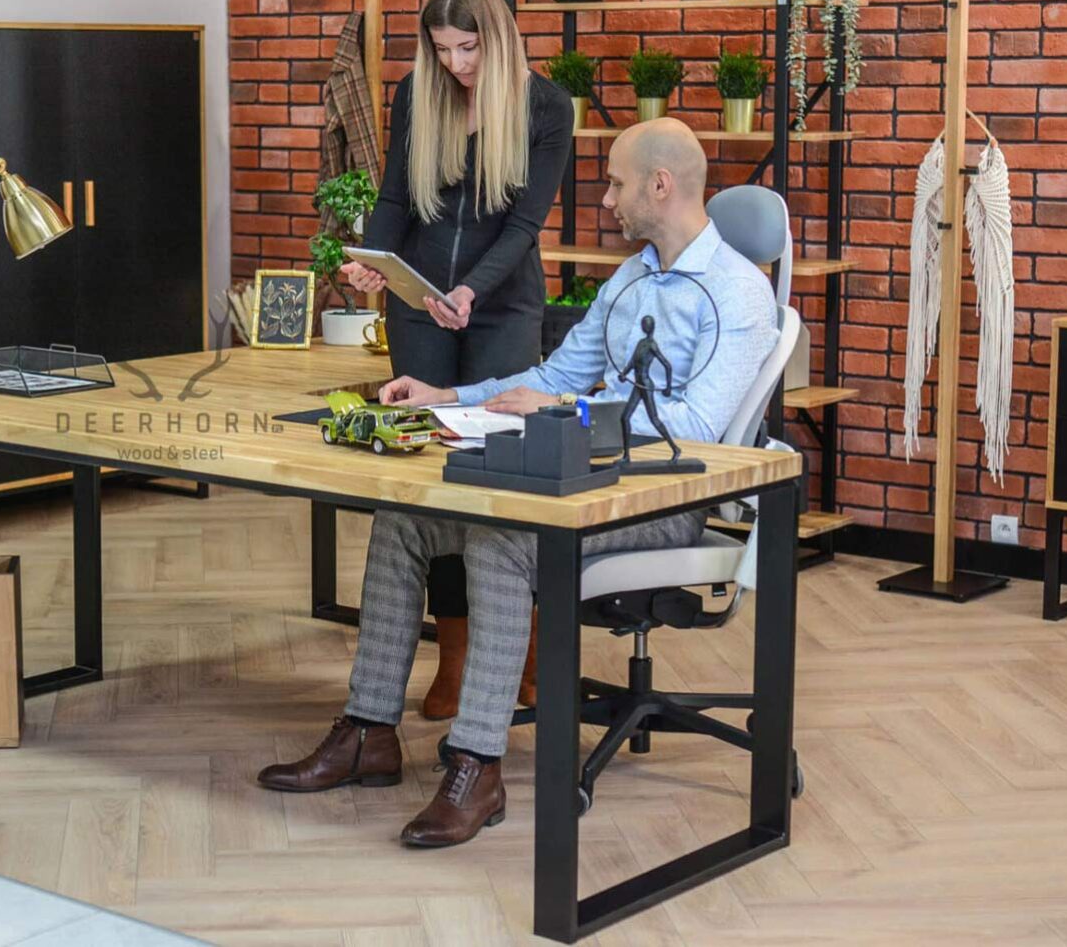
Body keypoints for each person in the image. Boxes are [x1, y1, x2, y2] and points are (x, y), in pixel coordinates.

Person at [258, 118, 779, 848]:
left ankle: (477, 765)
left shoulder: (739, 293)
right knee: (405, 520)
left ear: (660, 185)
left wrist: (563, 409)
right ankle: (369, 732)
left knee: (501, 539)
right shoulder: (632, 279)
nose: (606, 200)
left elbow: (691, 427)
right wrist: (448, 396)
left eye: (616, 184)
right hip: (588, 479)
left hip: (665, 499)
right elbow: (551, 377)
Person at [340, 0, 574, 720]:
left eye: (468, 49)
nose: (456, 65)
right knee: (431, 476)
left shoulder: (546, 106)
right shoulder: (418, 92)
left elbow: (524, 225)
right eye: (442, 50)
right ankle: (455, 657)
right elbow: (395, 200)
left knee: (497, 476)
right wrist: (374, 263)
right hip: (419, 307)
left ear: (496, 39)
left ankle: (524, 653)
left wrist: (472, 289)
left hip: (502, 306)